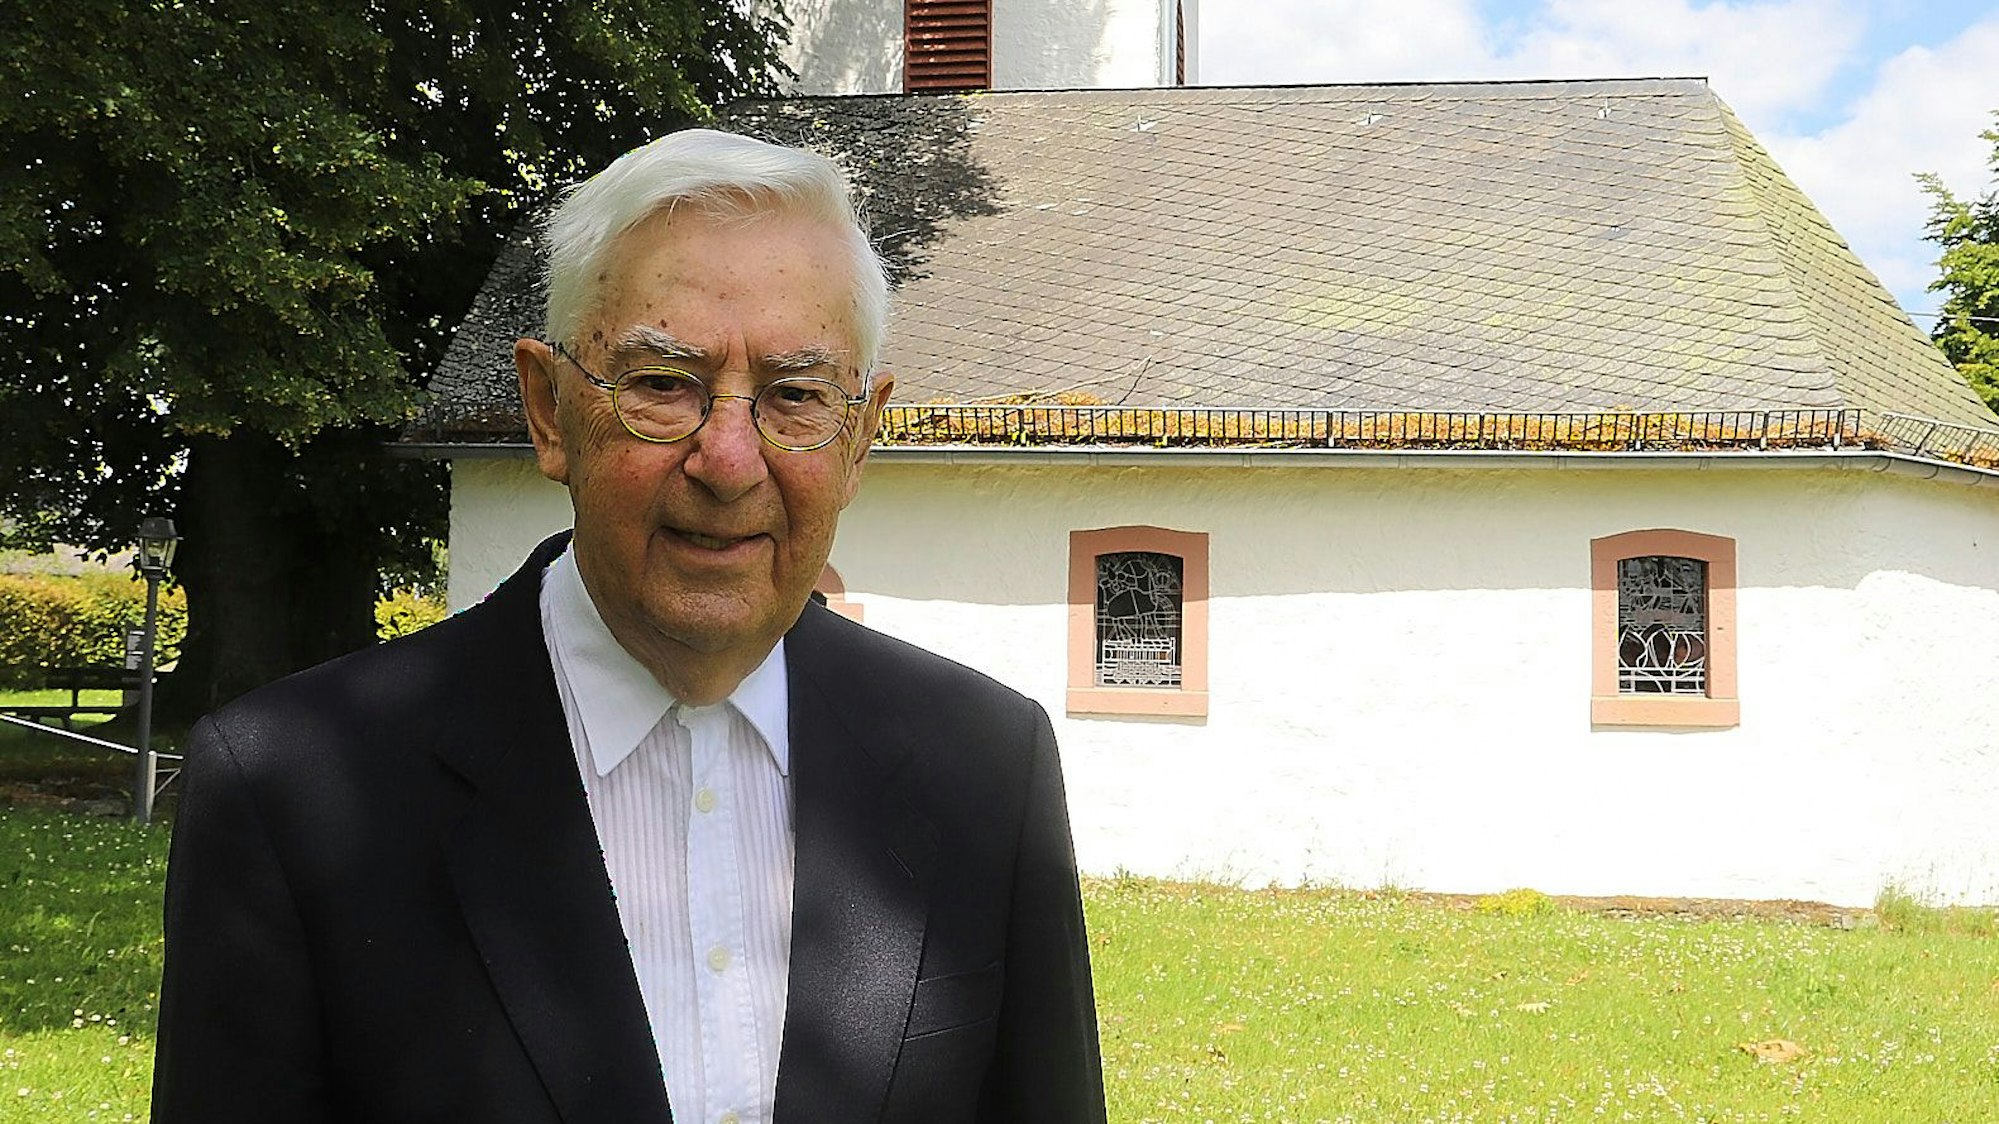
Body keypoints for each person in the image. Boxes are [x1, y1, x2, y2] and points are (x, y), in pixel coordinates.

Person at [152, 129, 1106, 1123]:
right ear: (549, 410)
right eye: (662, 384)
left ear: (860, 437)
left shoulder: (985, 763)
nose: (728, 461)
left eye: (794, 395)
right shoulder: (291, 790)